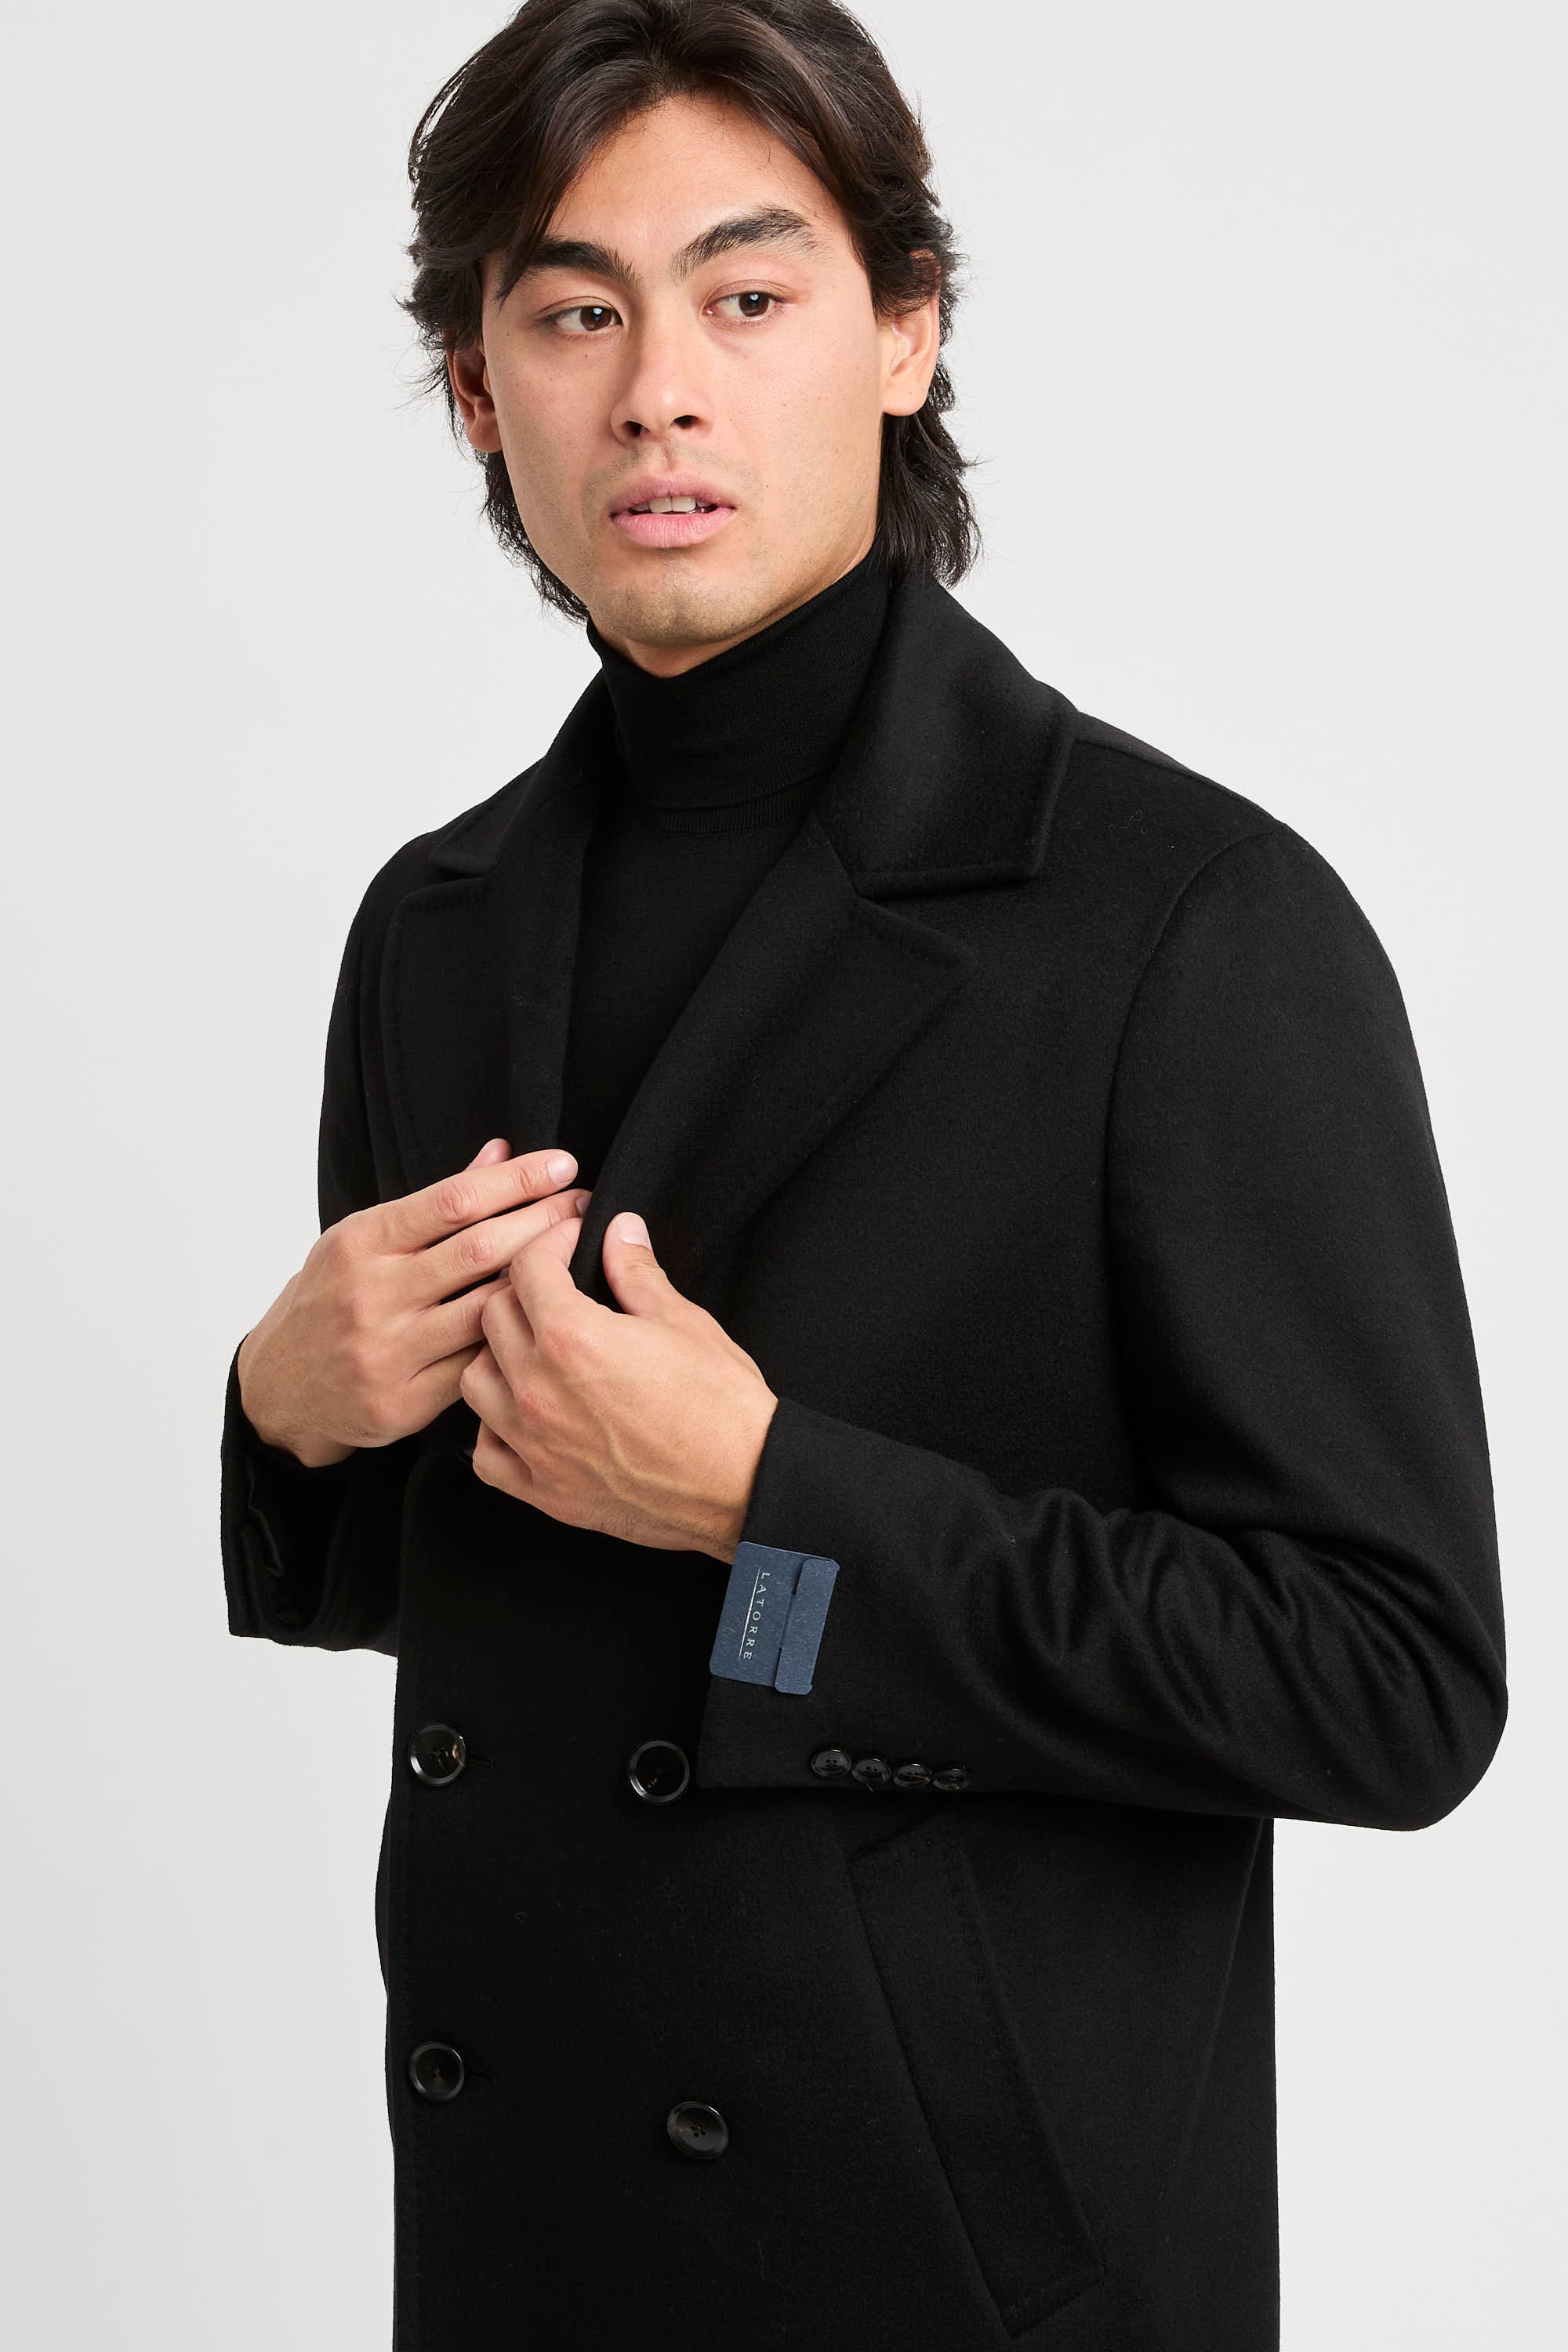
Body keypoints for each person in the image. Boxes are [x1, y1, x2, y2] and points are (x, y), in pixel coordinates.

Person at [220, 4, 1508, 2347]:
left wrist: (771, 1501)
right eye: (575, 313)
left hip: (958, 2271)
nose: (660, 392)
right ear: (478, 391)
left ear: (906, 334)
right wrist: (288, 1420)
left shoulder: (1186, 921)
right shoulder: (436, 922)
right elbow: (535, 1600)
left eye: (747, 293)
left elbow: (1387, 1681)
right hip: (518, 2238)